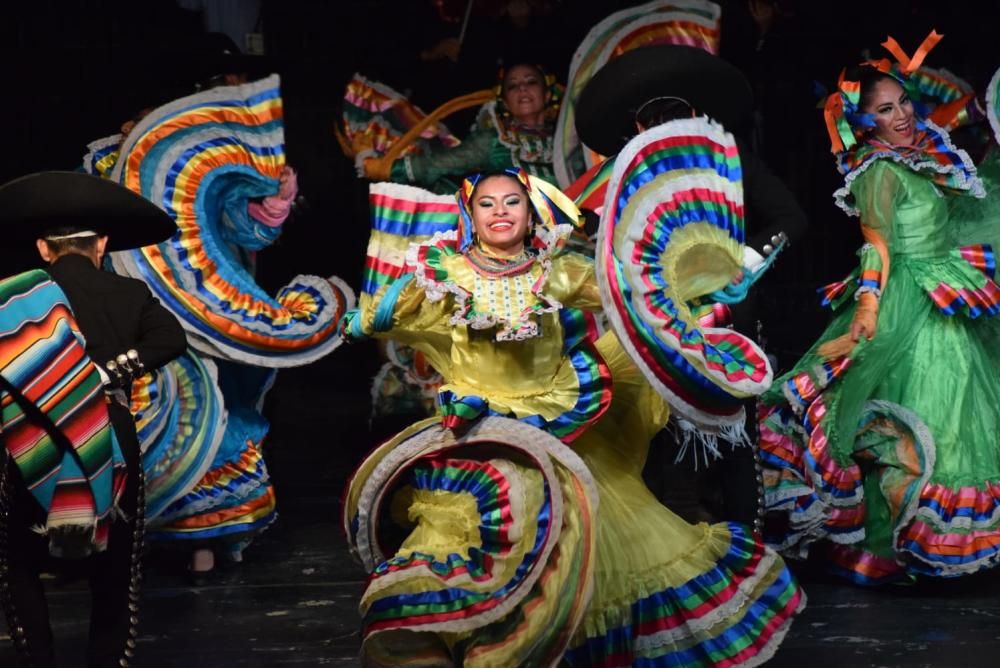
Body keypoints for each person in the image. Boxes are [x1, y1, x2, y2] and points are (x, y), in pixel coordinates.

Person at [341, 159, 804, 664]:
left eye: (512, 201)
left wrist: (699, 282)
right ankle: (475, 638)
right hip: (480, 427)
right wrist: (359, 318)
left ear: (530, 210)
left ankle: (544, 644)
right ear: (469, 215)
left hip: (555, 418)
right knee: (483, 532)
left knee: (580, 534)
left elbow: (629, 294)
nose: (500, 212)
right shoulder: (445, 272)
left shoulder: (554, 271)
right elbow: (383, 315)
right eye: (486, 204)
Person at [757, 34, 1000, 584]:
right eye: (885, 109)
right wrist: (867, 308)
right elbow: (877, 244)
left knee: (963, 406)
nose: (901, 115)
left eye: (904, 102)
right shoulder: (878, 172)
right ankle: (906, 543)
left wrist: (979, 104)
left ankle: (960, 539)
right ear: (864, 122)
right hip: (907, 295)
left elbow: (953, 121)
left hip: (948, 283)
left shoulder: (927, 153)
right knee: (930, 405)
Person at [573, 43, 808, 528]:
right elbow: (585, 238)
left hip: (727, 316)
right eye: (652, 117)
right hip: (650, 323)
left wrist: (740, 264)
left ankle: (748, 547)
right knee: (656, 433)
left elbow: (791, 216)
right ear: (636, 128)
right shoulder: (619, 174)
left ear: (696, 113)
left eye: (675, 112)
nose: (664, 124)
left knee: (739, 437)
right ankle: (673, 552)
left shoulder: (728, 158)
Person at [0, 171, 186, 667]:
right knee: (115, 572)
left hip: (28, 436)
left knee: (18, 563)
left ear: (44, 249)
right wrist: (107, 373)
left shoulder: (14, 300)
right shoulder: (129, 294)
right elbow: (172, 341)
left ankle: (38, 659)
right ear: (101, 245)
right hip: (111, 432)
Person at [360, 62, 573, 191]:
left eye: (531, 82)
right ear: (505, 102)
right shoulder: (493, 141)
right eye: (513, 85)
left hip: (574, 245)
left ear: (547, 95)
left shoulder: (569, 141)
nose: (522, 88)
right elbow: (436, 164)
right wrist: (382, 168)